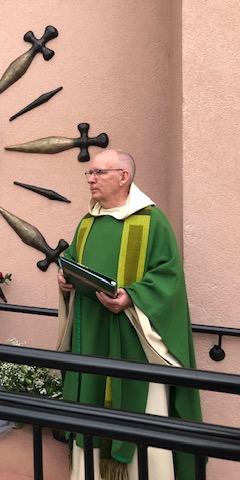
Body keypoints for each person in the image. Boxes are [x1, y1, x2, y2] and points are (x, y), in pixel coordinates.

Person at [56, 149, 202, 480]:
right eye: (89, 173)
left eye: (99, 172)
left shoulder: (151, 221)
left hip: (134, 341)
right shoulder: (87, 223)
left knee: (140, 412)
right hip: (93, 338)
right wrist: (65, 281)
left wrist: (131, 298)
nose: (91, 179)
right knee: (91, 410)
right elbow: (73, 262)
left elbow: (168, 278)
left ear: (124, 177)